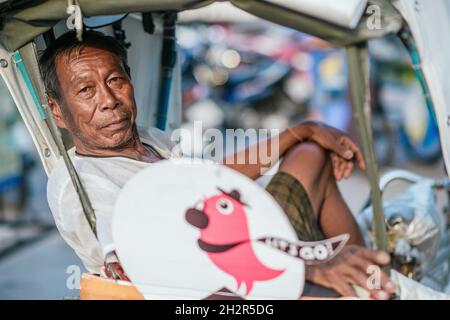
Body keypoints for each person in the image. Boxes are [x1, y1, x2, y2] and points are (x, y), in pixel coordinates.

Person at [41, 31, 395, 299]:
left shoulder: (151, 141)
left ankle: (369, 272)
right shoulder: (79, 183)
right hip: (209, 290)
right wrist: (310, 265)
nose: (108, 101)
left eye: (115, 80)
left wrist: (299, 132)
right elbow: (149, 261)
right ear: (58, 111)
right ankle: (362, 279)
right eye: (85, 91)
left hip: (239, 251)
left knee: (310, 152)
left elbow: (216, 177)